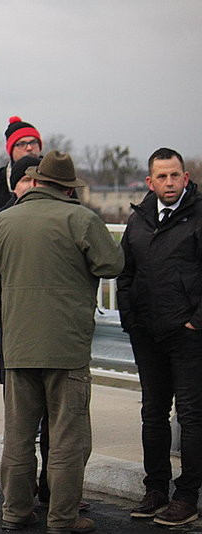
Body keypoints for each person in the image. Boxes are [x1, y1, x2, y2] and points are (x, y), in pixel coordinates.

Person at [0, 151, 123, 533]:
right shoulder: (82, 219)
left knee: (19, 436)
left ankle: (15, 512)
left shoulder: (1, 222)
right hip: (66, 346)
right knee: (66, 439)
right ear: (69, 188)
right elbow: (112, 265)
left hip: (19, 343)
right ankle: (62, 518)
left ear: (37, 181)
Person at [117, 147, 202, 527]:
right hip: (146, 333)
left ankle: (187, 497)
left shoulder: (198, 215)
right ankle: (156, 489)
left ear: (186, 177)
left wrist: (196, 321)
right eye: (162, 177)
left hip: (187, 335)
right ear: (150, 182)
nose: (170, 182)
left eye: (175, 175)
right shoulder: (138, 220)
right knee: (153, 413)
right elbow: (125, 273)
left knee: (191, 416)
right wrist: (130, 318)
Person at [0, 116, 42, 217]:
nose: (29, 148)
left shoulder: (56, 177)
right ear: (11, 150)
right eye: (22, 144)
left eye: (33, 142)